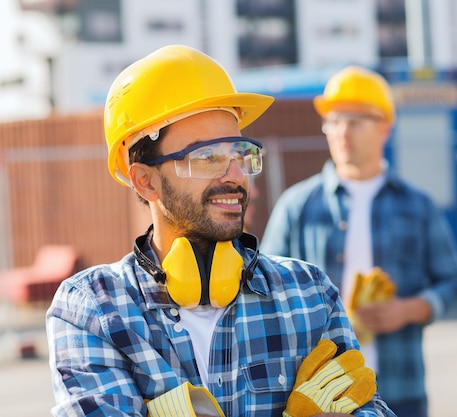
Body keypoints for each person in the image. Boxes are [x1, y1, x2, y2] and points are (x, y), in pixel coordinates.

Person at [45, 45, 396, 417]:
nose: (235, 175)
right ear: (145, 181)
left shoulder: (309, 293)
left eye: (241, 153)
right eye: (207, 157)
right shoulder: (93, 310)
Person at [260, 65, 457, 417]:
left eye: (355, 121)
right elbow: (263, 293)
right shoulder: (297, 206)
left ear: (385, 127)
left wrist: (409, 310)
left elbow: (454, 284)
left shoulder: (417, 206)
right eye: (334, 121)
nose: (342, 132)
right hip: (319, 391)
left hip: (400, 386)